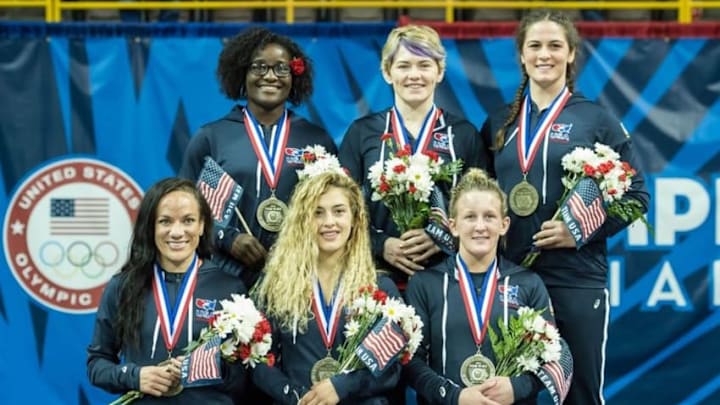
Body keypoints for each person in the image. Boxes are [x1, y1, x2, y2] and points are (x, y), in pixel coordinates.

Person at [479, 10, 650, 405]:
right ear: (521, 56)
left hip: (576, 278)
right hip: (510, 279)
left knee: (579, 395)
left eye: (555, 45)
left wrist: (580, 229)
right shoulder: (499, 123)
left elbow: (636, 196)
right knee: (509, 393)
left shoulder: (597, 121)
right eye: (534, 46)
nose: (545, 54)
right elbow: (478, 195)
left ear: (571, 54)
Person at [179, 27, 337, 289]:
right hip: (224, 277)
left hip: (296, 279)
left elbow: (335, 207)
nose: (270, 76)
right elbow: (184, 209)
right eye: (259, 67)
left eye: (281, 68)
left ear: (294, 76)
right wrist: (227, 238)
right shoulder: (212, 137)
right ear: (243, 73)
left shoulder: (317, 139)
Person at [339, 24, 489, 290]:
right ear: (387, 72)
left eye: (424, 65)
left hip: (448, 280)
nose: (414, 75)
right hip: (377, 278)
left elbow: (483, 210)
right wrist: (380, 244)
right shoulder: (362, 133)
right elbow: (341, 207)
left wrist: (441, 237)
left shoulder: (464, 135)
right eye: (404, 66)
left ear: (440, 71)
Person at [403, 168, 572, 405]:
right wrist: (455, 396)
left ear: (504, 224)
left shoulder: (528, 283)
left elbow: (552, 354)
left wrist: (517, 387)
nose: (480, 226)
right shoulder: (424, 284)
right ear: (452, 225)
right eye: (470, 217)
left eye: (489, 216)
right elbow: (411, 361)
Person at [87, 178, 247, 403]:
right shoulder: (123, 286)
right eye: (165, 221)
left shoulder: (230, 288)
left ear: (202, 226)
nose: (177, 232)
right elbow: (97, 364)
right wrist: (134, 376)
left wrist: (209, 368)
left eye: (188, 220)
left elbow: (246, 375)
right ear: (151, 226)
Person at [251, 171, 402, 404]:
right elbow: (257, 360)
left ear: (355, 219)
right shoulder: (274, 286)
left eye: (339, 211)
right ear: (303, 220)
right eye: (317, 213)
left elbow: (391, 369)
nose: (329, 222)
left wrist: (341, 387)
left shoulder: (380, 289)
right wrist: (297, 397)